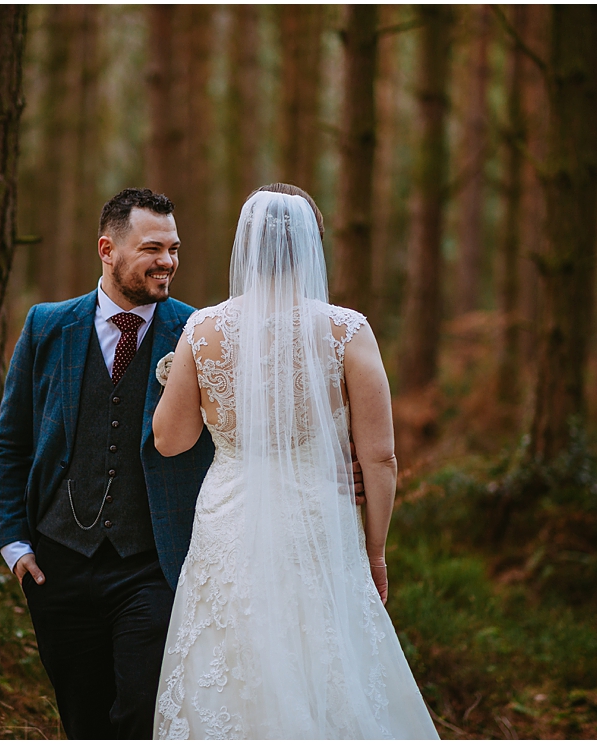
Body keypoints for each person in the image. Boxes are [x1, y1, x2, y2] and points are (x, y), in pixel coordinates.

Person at [151, 185, 439, 739]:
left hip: (228, 521)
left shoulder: (204, 330)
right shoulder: (346, 330)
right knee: (327, 658)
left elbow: (171, 440)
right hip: (317, 518)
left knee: (230, 659)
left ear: (245, 247)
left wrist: (176, 379)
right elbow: (380, 457)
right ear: (313, 245)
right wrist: (375, 552)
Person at [0, 188, 215, 739]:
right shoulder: (47, 326)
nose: (168, 261)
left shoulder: (199, 331)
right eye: (152, 248)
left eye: (175, 248)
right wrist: (14, 543)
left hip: (154, 564)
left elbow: (238, 440)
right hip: (58, 562)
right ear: (107, 249)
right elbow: (10, 442)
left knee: (139, 712)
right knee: (83, 718)